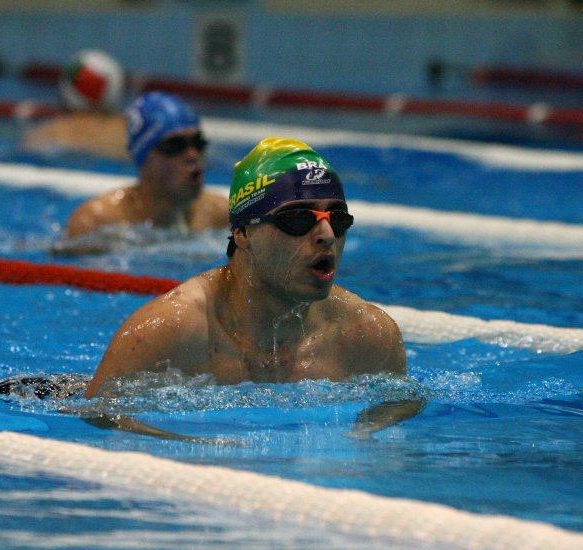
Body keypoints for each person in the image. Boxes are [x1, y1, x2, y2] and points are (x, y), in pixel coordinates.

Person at [85, 137, 424, 435]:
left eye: (337, 219)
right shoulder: (170, 331)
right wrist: (198, 449)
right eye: (298, 220)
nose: (326, 235)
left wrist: (363, 436)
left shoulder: (369, 337)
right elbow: (99, 415)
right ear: (243, 233)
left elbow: (400, 408)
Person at [49, 92, 229, 255]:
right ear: (143, 157)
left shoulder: (220, 215)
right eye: (174, 146)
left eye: (198, 143)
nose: (192, 155)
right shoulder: (96, 222)